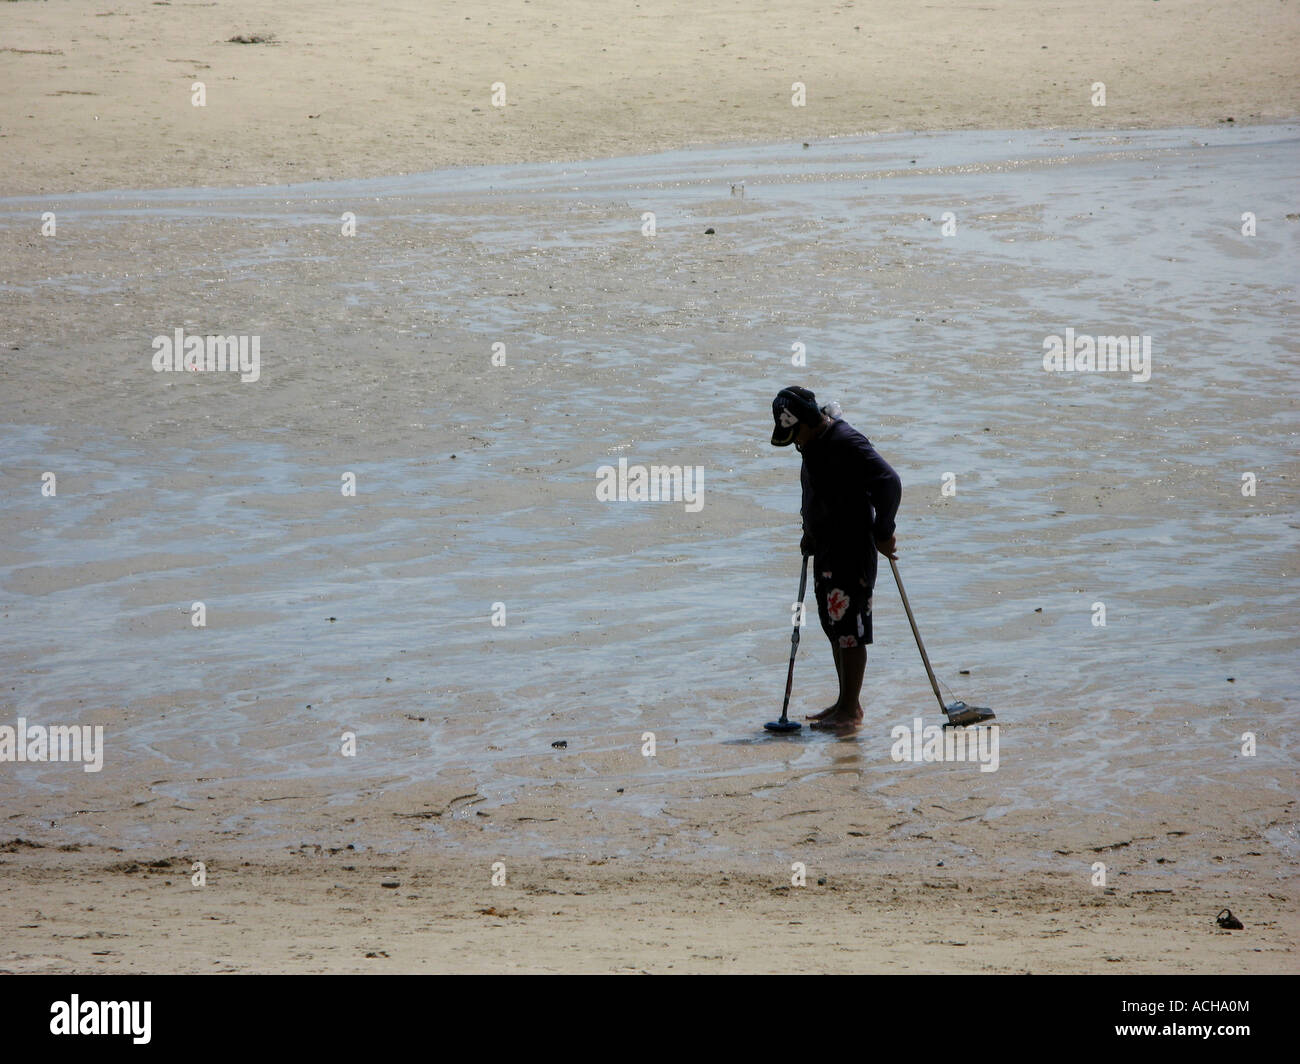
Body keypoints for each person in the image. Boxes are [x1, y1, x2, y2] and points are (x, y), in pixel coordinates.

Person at [770, 386, 901, 730]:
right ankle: (846, 702)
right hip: (826, 547)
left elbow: (889, 481)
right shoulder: (811, 443)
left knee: (850, 631)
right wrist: (809, 530)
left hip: (852, 548)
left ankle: (850, 711)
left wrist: (884, 532)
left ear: (811, 421)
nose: (795, 442)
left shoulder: (846, 441)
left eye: (795, 433)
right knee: (834, 626)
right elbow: (815, 490)